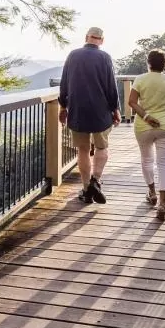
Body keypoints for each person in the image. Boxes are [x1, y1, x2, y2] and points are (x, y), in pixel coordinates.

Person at [58, 26, 121, 204]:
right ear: (101, 40)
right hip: (101, 110)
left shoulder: (72, 55)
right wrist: (115, 108)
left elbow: (64, 84)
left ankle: (86, 189)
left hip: (78, 110)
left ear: (86, 37)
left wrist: (63, 107)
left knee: (83, 150)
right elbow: (111, 86)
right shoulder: (105, 57)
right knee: (102, 147)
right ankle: (96, 181)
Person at [128, 49, 165, 220]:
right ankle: (163, 204)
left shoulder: (140, 79)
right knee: (164, 164)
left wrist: (147, 117)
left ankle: (151, 192)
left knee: (146, 160)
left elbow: (132, 102)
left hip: (143, 126)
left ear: (148, 63)